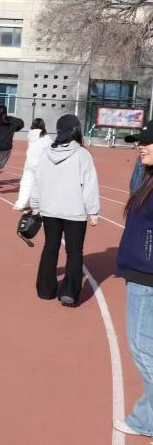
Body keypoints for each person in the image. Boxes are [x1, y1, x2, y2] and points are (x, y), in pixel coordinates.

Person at [31, 114, 100, 307]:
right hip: (74, 211)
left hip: (49, 210)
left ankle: (45, 289)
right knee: (74, 251)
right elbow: (89, 184)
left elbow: (37, 181)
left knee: (50, 247)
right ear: (76, 130)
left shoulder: (46, 153)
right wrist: (93, 211)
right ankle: (69, 292)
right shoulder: (82, 154)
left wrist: (35, 205)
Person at [115, 122, 153, 438]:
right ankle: (144, 420)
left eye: (148, 141)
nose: (141, 145)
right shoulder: (146, 176)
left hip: (147, 276)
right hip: (140, 272)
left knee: (143, 351)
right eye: (139, 141)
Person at [14, 118, 53, 211]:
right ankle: (39, 205)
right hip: (41, 164)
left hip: (29, 163)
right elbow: (51, 149)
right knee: (41, 185)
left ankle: (20, 204)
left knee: (25, 184)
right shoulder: (46, 137)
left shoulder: (30, 135)